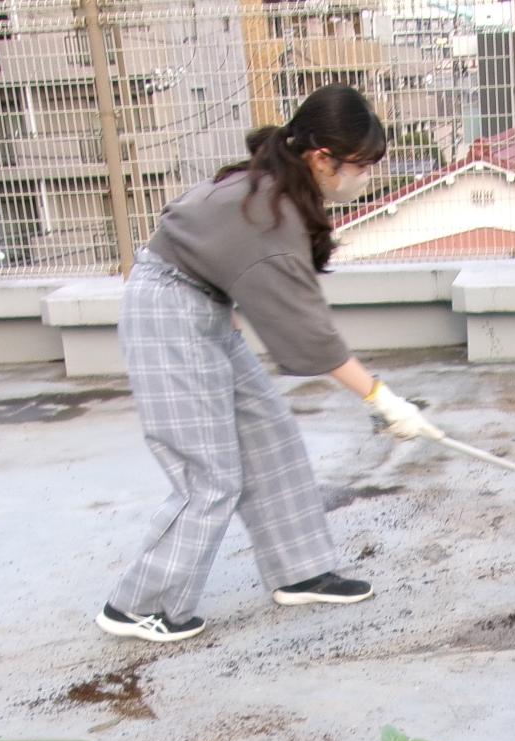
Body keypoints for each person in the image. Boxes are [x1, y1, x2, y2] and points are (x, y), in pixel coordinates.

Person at [98, 85, 443, 644]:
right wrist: (382, 399)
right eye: (361, 166)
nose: (366, 179)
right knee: (208, 474)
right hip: (168, 316)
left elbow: (200, 231)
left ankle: (299, 570)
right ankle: (138, 604)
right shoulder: (271, 215)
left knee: (270, 438)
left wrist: (222, 294)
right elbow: (310, 334)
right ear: (321, 157)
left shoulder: (276, 180)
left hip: (204, 306)